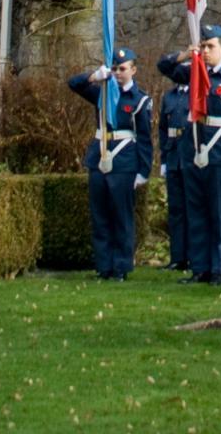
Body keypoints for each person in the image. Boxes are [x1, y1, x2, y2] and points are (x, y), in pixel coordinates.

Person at [157, 25, 221, 286]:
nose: (206, 51)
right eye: (204, 46)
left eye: (211, 46)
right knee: (195, 211)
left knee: (217, 212)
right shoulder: (193, 73)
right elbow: (163, 66)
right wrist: (187, 54)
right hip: (192, 149)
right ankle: (199, 268)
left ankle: (218, 268)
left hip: (219, 151)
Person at [68, 47, 153, 281]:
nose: (117, 73)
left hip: (124, 162)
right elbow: (73, 84)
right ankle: (104, 266)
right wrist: (94, 76)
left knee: (121, 216)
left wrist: (143, 171)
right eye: (114, 68)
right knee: (100, 215)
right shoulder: (102, 93)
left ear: (133, 70)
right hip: (99, 158)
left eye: (122, 69)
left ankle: (121, 267)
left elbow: (145, 138)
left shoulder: (140, 100)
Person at [158, 80, 191, 270]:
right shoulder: (169, 96)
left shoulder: (196, 92)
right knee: (176, 210)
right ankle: (178, 257)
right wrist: (164, 159)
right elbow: (163, 129)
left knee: (193, 210)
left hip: (190, 155)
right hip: (173, 156)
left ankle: (195, 256)